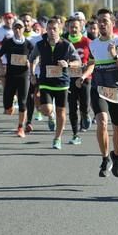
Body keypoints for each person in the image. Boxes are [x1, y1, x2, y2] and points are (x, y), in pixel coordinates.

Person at [80, 9, 118, 177]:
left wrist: (115, 57)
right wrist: (84, 75)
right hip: (98, 89)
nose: (102, 24)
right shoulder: (93, 44)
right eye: (99, 21)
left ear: (112, 23)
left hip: (117, 90)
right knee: (102, 121)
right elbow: (92, 64)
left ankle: (115, 156)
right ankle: (104, 158)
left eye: (105, 21)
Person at [29, 18, 80, 150]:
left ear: (60, 30)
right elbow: (32, 58)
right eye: (49, 29)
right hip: (45, 81)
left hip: (62, 82)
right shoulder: (40, 45)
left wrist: (68, 64)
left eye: (55, 29)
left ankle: (57, 138)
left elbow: (77, 62)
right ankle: (50, 116)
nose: (52, 31)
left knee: (61, 112)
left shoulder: (67, 45)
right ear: (46, 30)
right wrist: (32, 74)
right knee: (46, 109)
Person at [0, 18, 33, 137]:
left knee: (23, 102)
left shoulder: (28, 44)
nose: (18, 30)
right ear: (12, 29)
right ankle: (10, 106)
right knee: (7, 107)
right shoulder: (8, 42)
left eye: (20, 28)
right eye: (15, 28)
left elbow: (36, 57)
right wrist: (1, 67)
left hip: (24, 75)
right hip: (11, 75)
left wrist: (30, 63)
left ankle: (20, 127)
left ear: (24, 29)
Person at [64, 17, 91, 144]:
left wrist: (84, 70)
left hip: (85, 78)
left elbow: (93, 61)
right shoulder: (63, 42)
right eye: (71, 27)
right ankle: (75, 134)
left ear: (81, 28)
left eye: (76, 27)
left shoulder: (88, 42)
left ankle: (85, 115)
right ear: (67, 28)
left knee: (85, 105)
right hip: (69, 79)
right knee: (72, 107)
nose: (74, 29)